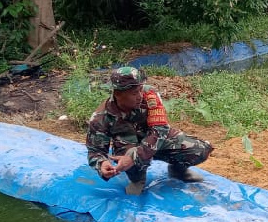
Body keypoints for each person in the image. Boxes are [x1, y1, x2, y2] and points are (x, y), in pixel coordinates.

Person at [86, 66, 214, 195]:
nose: (140, 96)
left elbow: (160, 129)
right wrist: (101, 164)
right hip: (128, 147)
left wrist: (135, 156)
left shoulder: (150, 95)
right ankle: (137, 180)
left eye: (141, 90)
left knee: (199, 150)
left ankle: (177, 169)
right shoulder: (101, 118)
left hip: (156, 140)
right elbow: (95, 151)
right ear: (118, 94)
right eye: (134, 93)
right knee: (129, 154)